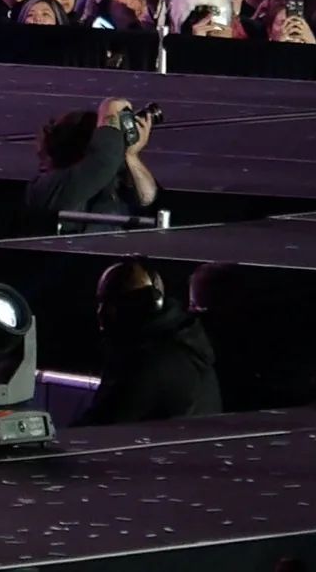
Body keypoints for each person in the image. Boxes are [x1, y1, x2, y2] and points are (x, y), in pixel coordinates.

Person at [75, 257, 221, 426]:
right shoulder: (186, 346)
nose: (103, 312)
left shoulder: (148, 365)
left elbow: (96, 429)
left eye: (116, 301)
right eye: (102, 302)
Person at [24, 98, 159, 234]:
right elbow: (104, 158)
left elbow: (146, 197)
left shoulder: (106, 174)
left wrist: (131, 155)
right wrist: (110, 111)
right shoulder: (46, 189)